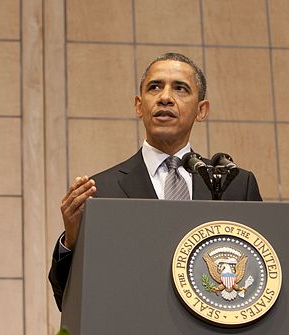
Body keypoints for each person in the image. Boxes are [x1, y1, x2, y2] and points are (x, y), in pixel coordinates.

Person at [49, 53, 262, 310]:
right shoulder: (100, 190)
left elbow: (259, 275)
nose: (165, 97)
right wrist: (71, 241)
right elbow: (69, 300)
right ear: (139, 105)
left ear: (201, 110)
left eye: (180, 89)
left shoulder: (236, 185)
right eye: (155, 87)